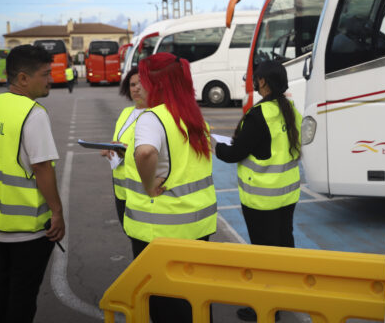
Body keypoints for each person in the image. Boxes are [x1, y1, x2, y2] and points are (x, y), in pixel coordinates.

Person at [0, 44, 66, 323]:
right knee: (23, 297)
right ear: (23, 78)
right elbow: (41, 167)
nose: (50, 79)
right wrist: (57, 213)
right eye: (45, 74)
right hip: (27, 227)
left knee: (3, 286)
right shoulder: (33, 113)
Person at [123, 52, 217, 323]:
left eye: (142, 79)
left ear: (157, 83)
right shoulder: (192, 115)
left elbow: (145, 153)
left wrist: (148, 184)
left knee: (166, 305)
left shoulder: (153, 118)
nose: (139, 85)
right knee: (197, 299)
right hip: (197, 224)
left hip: (161, 230)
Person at [214, 60, 302, 322]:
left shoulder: (258, 115)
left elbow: (234, 153)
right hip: (288, 194)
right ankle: (284, 295)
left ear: (263, 82)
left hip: (262, 199)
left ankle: (265, 308)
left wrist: (216, 146)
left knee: (263, 253)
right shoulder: (289, 108)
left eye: (255, 78)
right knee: (284, 244)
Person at [100, 67, 147, 226]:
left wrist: (126, 149)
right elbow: (119, 142)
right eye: (132, 85)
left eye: (141, 83)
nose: (136, 88)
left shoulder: (155, 114)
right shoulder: (126, 112)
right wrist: (111, 150)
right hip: (121, 189)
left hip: (142, 191)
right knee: (128, 230)